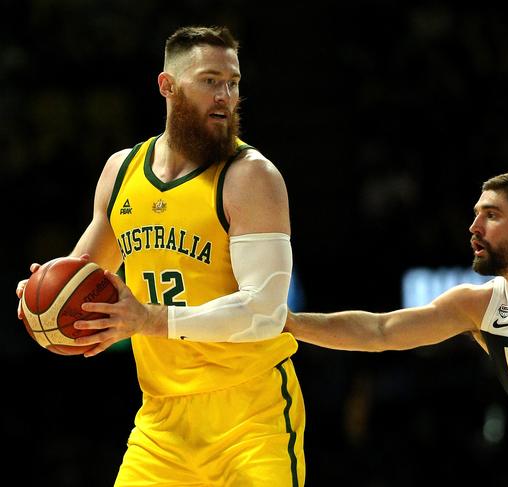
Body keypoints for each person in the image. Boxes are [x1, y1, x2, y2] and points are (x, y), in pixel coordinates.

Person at [16, 25, 305, 486]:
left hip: (250, 418)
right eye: (210, 81)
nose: (225, 96)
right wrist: (42, 296)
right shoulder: (122, 170)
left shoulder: (252, 177)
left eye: (233, 83)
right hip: (161, 423)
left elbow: (265, 312)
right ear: (167, 86)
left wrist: (148, 319)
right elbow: (84, 277)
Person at [285, 171, 508, 486]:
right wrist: (291, 324)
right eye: (476, 215)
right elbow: (381, 331)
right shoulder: (480, 306)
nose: (474, 228)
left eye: (491, 215)